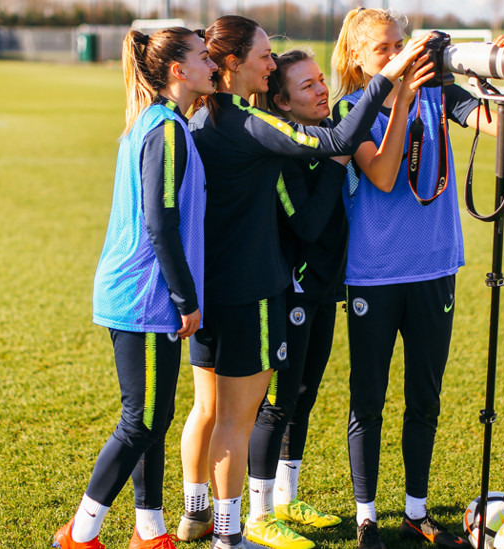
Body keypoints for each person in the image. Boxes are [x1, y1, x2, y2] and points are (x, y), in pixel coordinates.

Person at [174, 14, 430, 549]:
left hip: (209, 288)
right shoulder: (246, 121)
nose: (270, 64)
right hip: (250, 289)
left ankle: (198, 515)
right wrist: (393, 76)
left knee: (211, 410)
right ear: (232, 65)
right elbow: (335, 140)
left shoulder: (197, 120)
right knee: (238, 420)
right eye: (265, 57)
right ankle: (235, 528)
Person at [330, 8, 504, 549]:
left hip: (435, 267)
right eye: (383, 49)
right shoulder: (350, 108)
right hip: (373, 274)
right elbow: (385, 174)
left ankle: (417, 511)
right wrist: (404, 97)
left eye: (402, 44)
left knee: (425, 396)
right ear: (356, 57)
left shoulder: (441, 94)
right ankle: (367, 515)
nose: (398, 56)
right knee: (367, 398)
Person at [51, 26, 217, 549]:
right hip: (146, 295)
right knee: (140, 420)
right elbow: (159, 223)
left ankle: (150, 531)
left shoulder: (166, 123)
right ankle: (80, 534)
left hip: (146, 294)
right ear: (177, 71)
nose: (212, 63)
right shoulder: (165, 129)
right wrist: (186, 300)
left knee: (153, 418)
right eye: (202, 56)